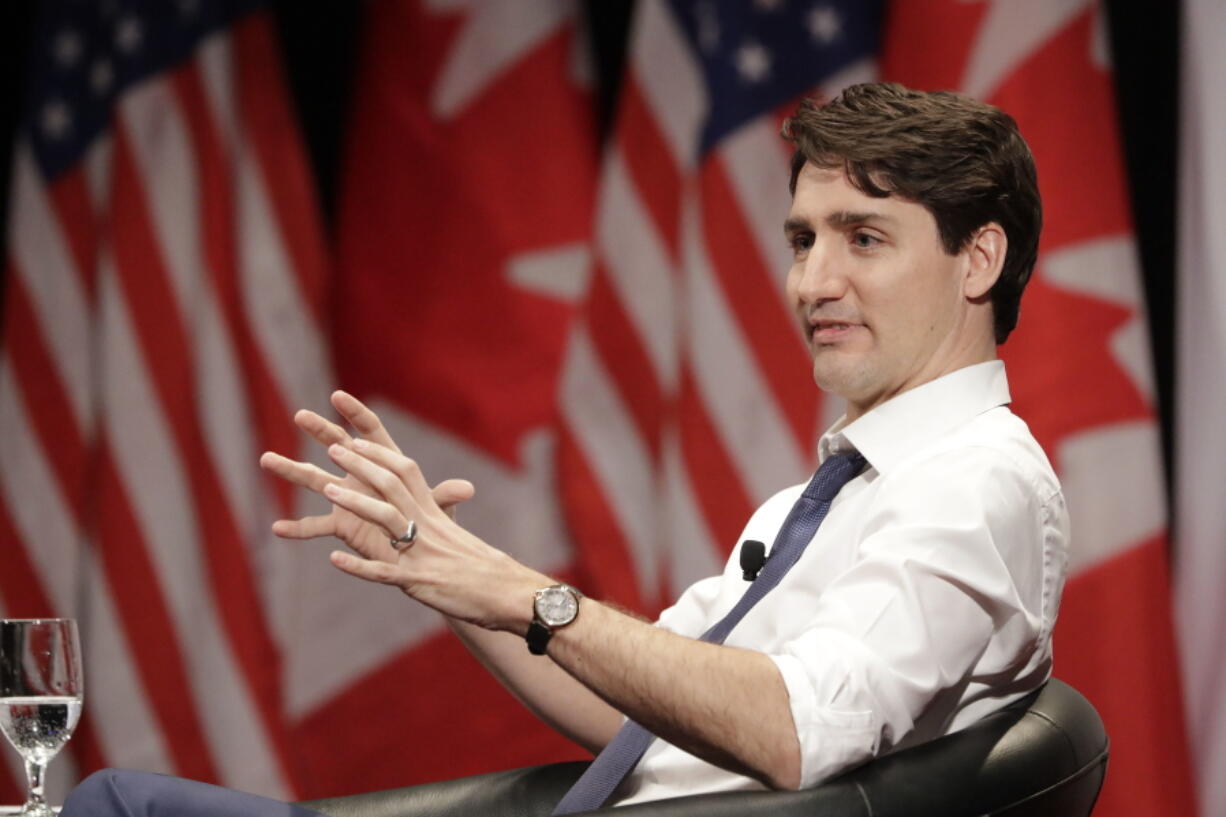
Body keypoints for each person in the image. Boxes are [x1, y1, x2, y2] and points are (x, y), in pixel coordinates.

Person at [61, 81, 1066, 815]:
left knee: (113, 806)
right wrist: (441, 571)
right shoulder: (842, 488)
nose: (810, 282)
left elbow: (796, 729)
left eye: (862, 237)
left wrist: (521, 592)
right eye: (802, 239)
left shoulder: (972, 484)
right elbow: (630, 711)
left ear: (976, 257)